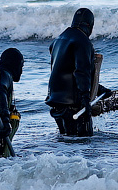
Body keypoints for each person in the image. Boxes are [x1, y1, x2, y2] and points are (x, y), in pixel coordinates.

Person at [44, 8, 111, 136]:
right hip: (73, 106)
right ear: (89, 25)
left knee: (67, 144)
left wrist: (98, 89)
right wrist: (86, 101)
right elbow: (81, 73)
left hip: (56, 102)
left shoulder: (58, 40)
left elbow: (66, 70)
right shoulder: (83, 42)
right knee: (84, 145)